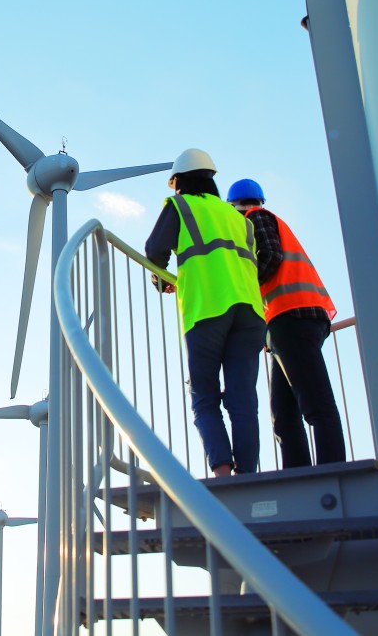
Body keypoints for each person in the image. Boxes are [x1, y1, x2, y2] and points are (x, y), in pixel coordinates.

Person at [145, 149, 266, 478]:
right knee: (244, 400)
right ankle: (248, 476)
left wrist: (161, 280)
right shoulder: (238, 219)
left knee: (205, 397)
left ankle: (223, 472)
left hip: (207, 310)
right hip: (251, 313)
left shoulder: (180, 206)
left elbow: (155, 249)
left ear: (179, 181)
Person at [226, 178, 346, 468]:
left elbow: (269, 257)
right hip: (290, 320)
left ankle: (332, 472)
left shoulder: (255, 218)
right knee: (283, 413)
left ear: (234, 206)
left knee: (315, 404)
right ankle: (299, 474)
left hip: (292, 317)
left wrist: (241, 290)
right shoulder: (267, 219)